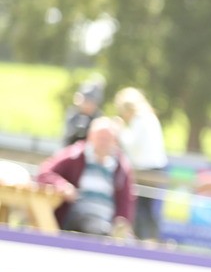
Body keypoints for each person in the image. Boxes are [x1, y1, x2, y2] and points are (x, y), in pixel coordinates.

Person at [36, 117, 134, 238]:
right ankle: (108, 233)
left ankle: (112, 234)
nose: (103, 142)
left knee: (128, 241)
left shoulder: (121, 166)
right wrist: (63, 186)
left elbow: (126, 200)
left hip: (108, 220)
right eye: (100, 138)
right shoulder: (74, 155)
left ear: (114, 141)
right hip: (78, 215)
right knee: (93, 228)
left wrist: (122, 220)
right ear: (90, 136)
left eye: (107, 139)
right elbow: (44, 172)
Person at [114, 87, 169, 241]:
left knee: (140, 209)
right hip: (157, 169)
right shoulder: (150, 117)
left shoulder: (139, 120)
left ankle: (143, 240)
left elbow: (132, 147)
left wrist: (120, 130)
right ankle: (150, 240)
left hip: (144, 171)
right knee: (150, 210)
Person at [62, 78, 106, 147]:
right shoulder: (73, 115)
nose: (87, 105)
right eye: (86, 101)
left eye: (91, 102)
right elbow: (66, 138)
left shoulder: (98, 119)